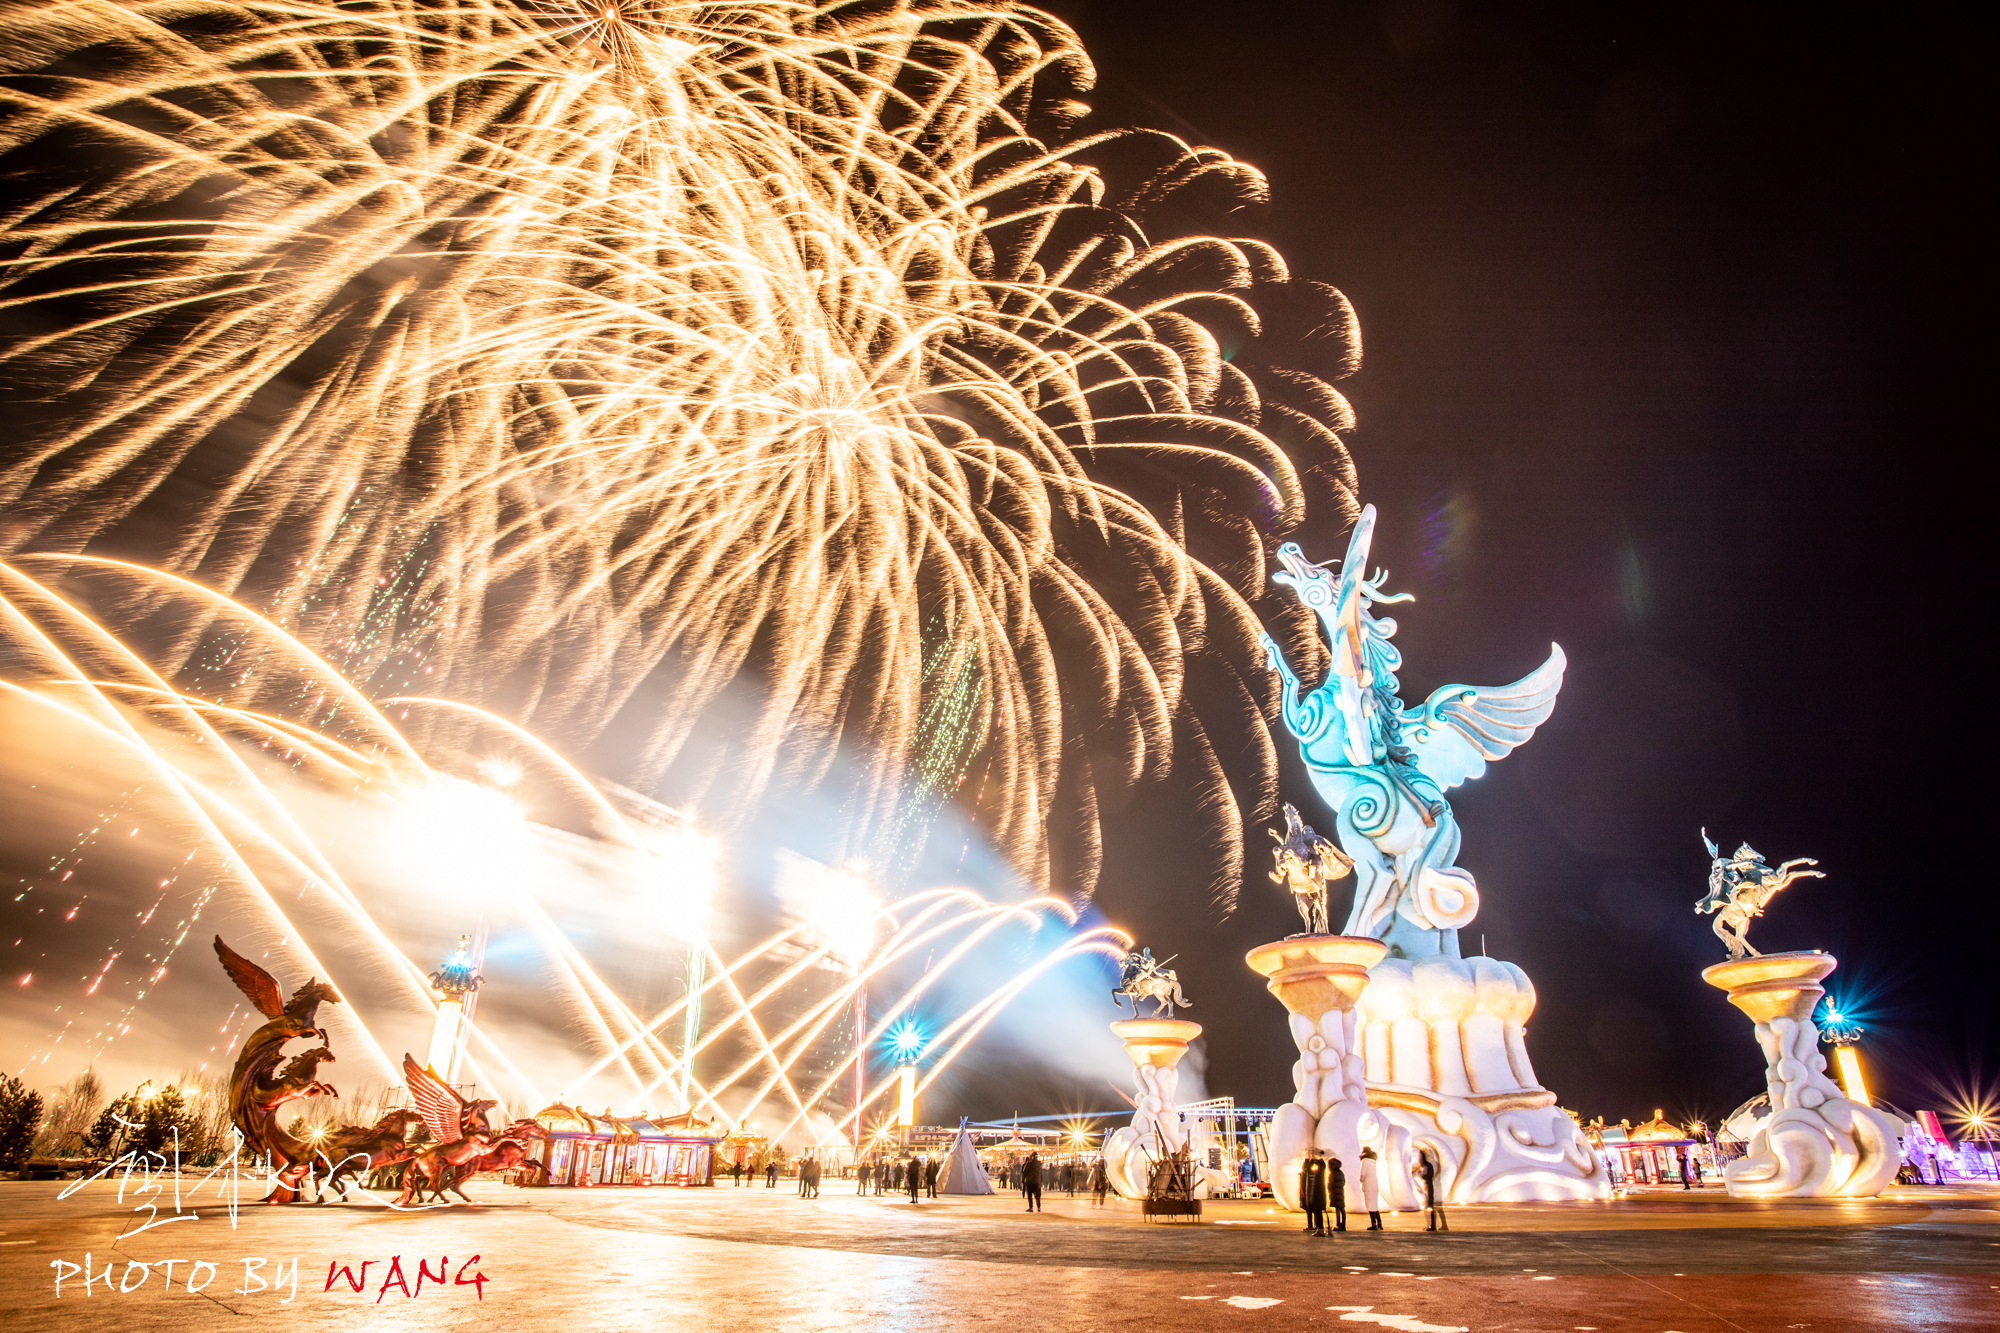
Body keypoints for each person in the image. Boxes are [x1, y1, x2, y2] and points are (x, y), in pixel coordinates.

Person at [1300, 1148, 1328, 1235]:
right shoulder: (1318, 1165)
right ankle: (1319, 1227)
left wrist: (1311, 1159)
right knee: (1317, 1211)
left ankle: (1320, 1228)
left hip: (1316, 1192)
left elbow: (1308, 1170)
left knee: (1318, 1211)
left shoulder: (1317, 1166)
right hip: (1315, 1192)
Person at [1417, 1149, 1446, 1231]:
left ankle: (1433, 1225)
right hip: (1427, 1186)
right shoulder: (1424, 1165)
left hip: (1430, 1187)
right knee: (1432, 1207)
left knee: (1433, 1207)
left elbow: (1430, 1175)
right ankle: (1432, 1224)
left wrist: (1423, 1176)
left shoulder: (1427, 1165)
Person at [1359, 1147, 1382, 1230]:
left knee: (1370, 1205)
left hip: (1368, 1184)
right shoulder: (1373, 1161)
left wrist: (1361, 1179)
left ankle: (1374, 1224)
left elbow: (1363, 1173)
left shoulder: (1365, 1161)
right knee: (1374, 1205)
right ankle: (1379, 1223)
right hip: (1374, 1184)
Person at [1328, 1154, 1348, 1231]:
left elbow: (1339, 1182)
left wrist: (1332, 1186)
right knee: (1340, 1208)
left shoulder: (1335, 1173)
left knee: (1339, 1209)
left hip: (1336, 1192)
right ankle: (1341, 1224)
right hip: (1338, 1192)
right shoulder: (1339, 1172)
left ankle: (1339, 1225)